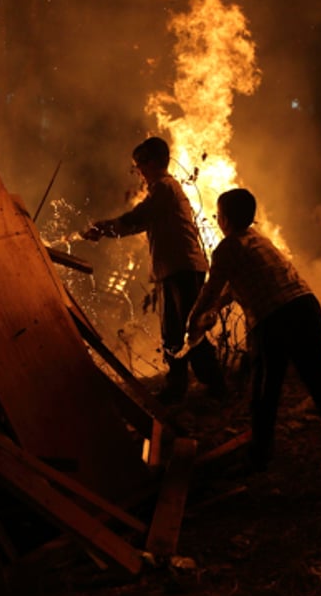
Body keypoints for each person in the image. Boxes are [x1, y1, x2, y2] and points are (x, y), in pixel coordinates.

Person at [185, 188, 321, 496]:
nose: (217, 219)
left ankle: (258, 458)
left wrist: (192, 323)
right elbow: (240, 287)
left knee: (264, 392)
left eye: (219, 214)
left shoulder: (226, 249)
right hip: (305, 306)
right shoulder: (261, 240)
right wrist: (216, 309)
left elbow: (211, 290)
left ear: (225, 219)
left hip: (274, 318)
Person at [81, 137, 227, 403]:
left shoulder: (165, 188)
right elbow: (138, 224)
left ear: (158, 161)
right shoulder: (161, 190)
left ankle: (213, 383)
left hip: (183, 269)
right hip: (173, 270)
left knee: (188, 328)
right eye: (137, 165)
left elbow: (137, 219)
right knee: (173, 330)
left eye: (142, 163)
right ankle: (181, 386)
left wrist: (102, 228)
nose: (140, 170)